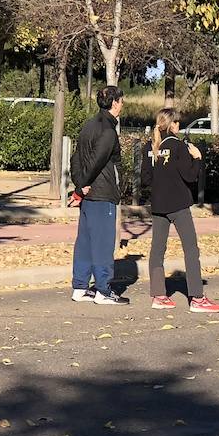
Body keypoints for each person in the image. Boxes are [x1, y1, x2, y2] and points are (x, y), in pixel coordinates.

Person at [139, 109, 219, 313]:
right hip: (178, 205)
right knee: (191, 250)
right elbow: (190, 176)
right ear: (173, 125)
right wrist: (197, 158)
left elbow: (145, 180)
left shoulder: (150, 148)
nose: (179, 125)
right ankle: (197, 297)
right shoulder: (179, 146)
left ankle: (159, 295)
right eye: (178, 123)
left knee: (157, 250)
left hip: (158, 205)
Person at [70, 85, 129, 305]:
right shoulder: (108, 130)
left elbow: (76, 158)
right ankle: (104, 291)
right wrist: (80, 186)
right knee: (103, 244)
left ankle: (80, 287)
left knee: (85, 242)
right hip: (102, 194)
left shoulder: (88, 125)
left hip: (89, 195)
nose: (122, 104)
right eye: (121, 101)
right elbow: (96, 162)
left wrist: (79, 185)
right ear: (114, 103)